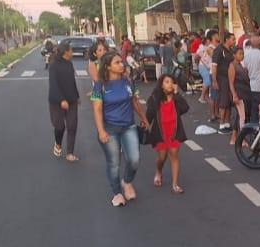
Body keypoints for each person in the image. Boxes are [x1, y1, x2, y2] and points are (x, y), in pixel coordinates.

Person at [91, 52, 149, 208]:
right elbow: (97, 109)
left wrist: (143, 118)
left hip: (128, 126)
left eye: (121, 62)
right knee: (114, 163)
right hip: (109, 129)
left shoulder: (128, 81)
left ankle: (127, 182)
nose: (122, 65)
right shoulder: (100, 85)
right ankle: (117, 193)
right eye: (117, 63)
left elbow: (135, 101)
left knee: (134, 160)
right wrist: (101, 131)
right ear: (108, 66)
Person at [145, 73, 189, 195]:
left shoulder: (176, 98)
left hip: (174, 131)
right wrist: (145, 125)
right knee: (162, 157)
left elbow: (185, 108)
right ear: (161, 85)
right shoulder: (155, 98)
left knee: (174, 155)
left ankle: (175, 184)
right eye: (167, 82)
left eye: (171, 82)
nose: (170, 84)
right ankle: (159, 171)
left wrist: (177, 94)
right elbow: (149, 115)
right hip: (160, 133)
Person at [48, 42, 80, 162]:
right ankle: (58, 143)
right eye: (71, 50)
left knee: (72, 126)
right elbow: (54, 85)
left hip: (71, 100)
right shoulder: (54, 65)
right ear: (66, 52)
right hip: (56, 101)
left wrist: (76, 96)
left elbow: (72, 82)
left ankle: (70, 153)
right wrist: (61, 100)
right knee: (60, 126)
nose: (72, 52)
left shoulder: (69, 64)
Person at [227, 44, 250, 145]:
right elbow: (231, 83)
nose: (242, 55)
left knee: (239, 116)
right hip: (238, 94)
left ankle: (234, 137)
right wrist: (234, 95)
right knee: (242, 117)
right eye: (240, 54)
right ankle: (242, 139)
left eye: (243, 54)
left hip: (244, 93)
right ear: (234, 55)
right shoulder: (232, 66)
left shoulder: (240, 65)